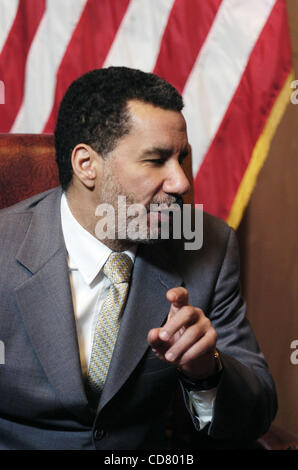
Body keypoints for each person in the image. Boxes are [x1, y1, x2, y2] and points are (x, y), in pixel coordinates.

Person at [0, 67, 277, 450]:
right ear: (87, 165)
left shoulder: (208, 246)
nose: (181, 182)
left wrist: (206, 371)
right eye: (155, 160)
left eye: (182, 158)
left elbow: (258, 411)